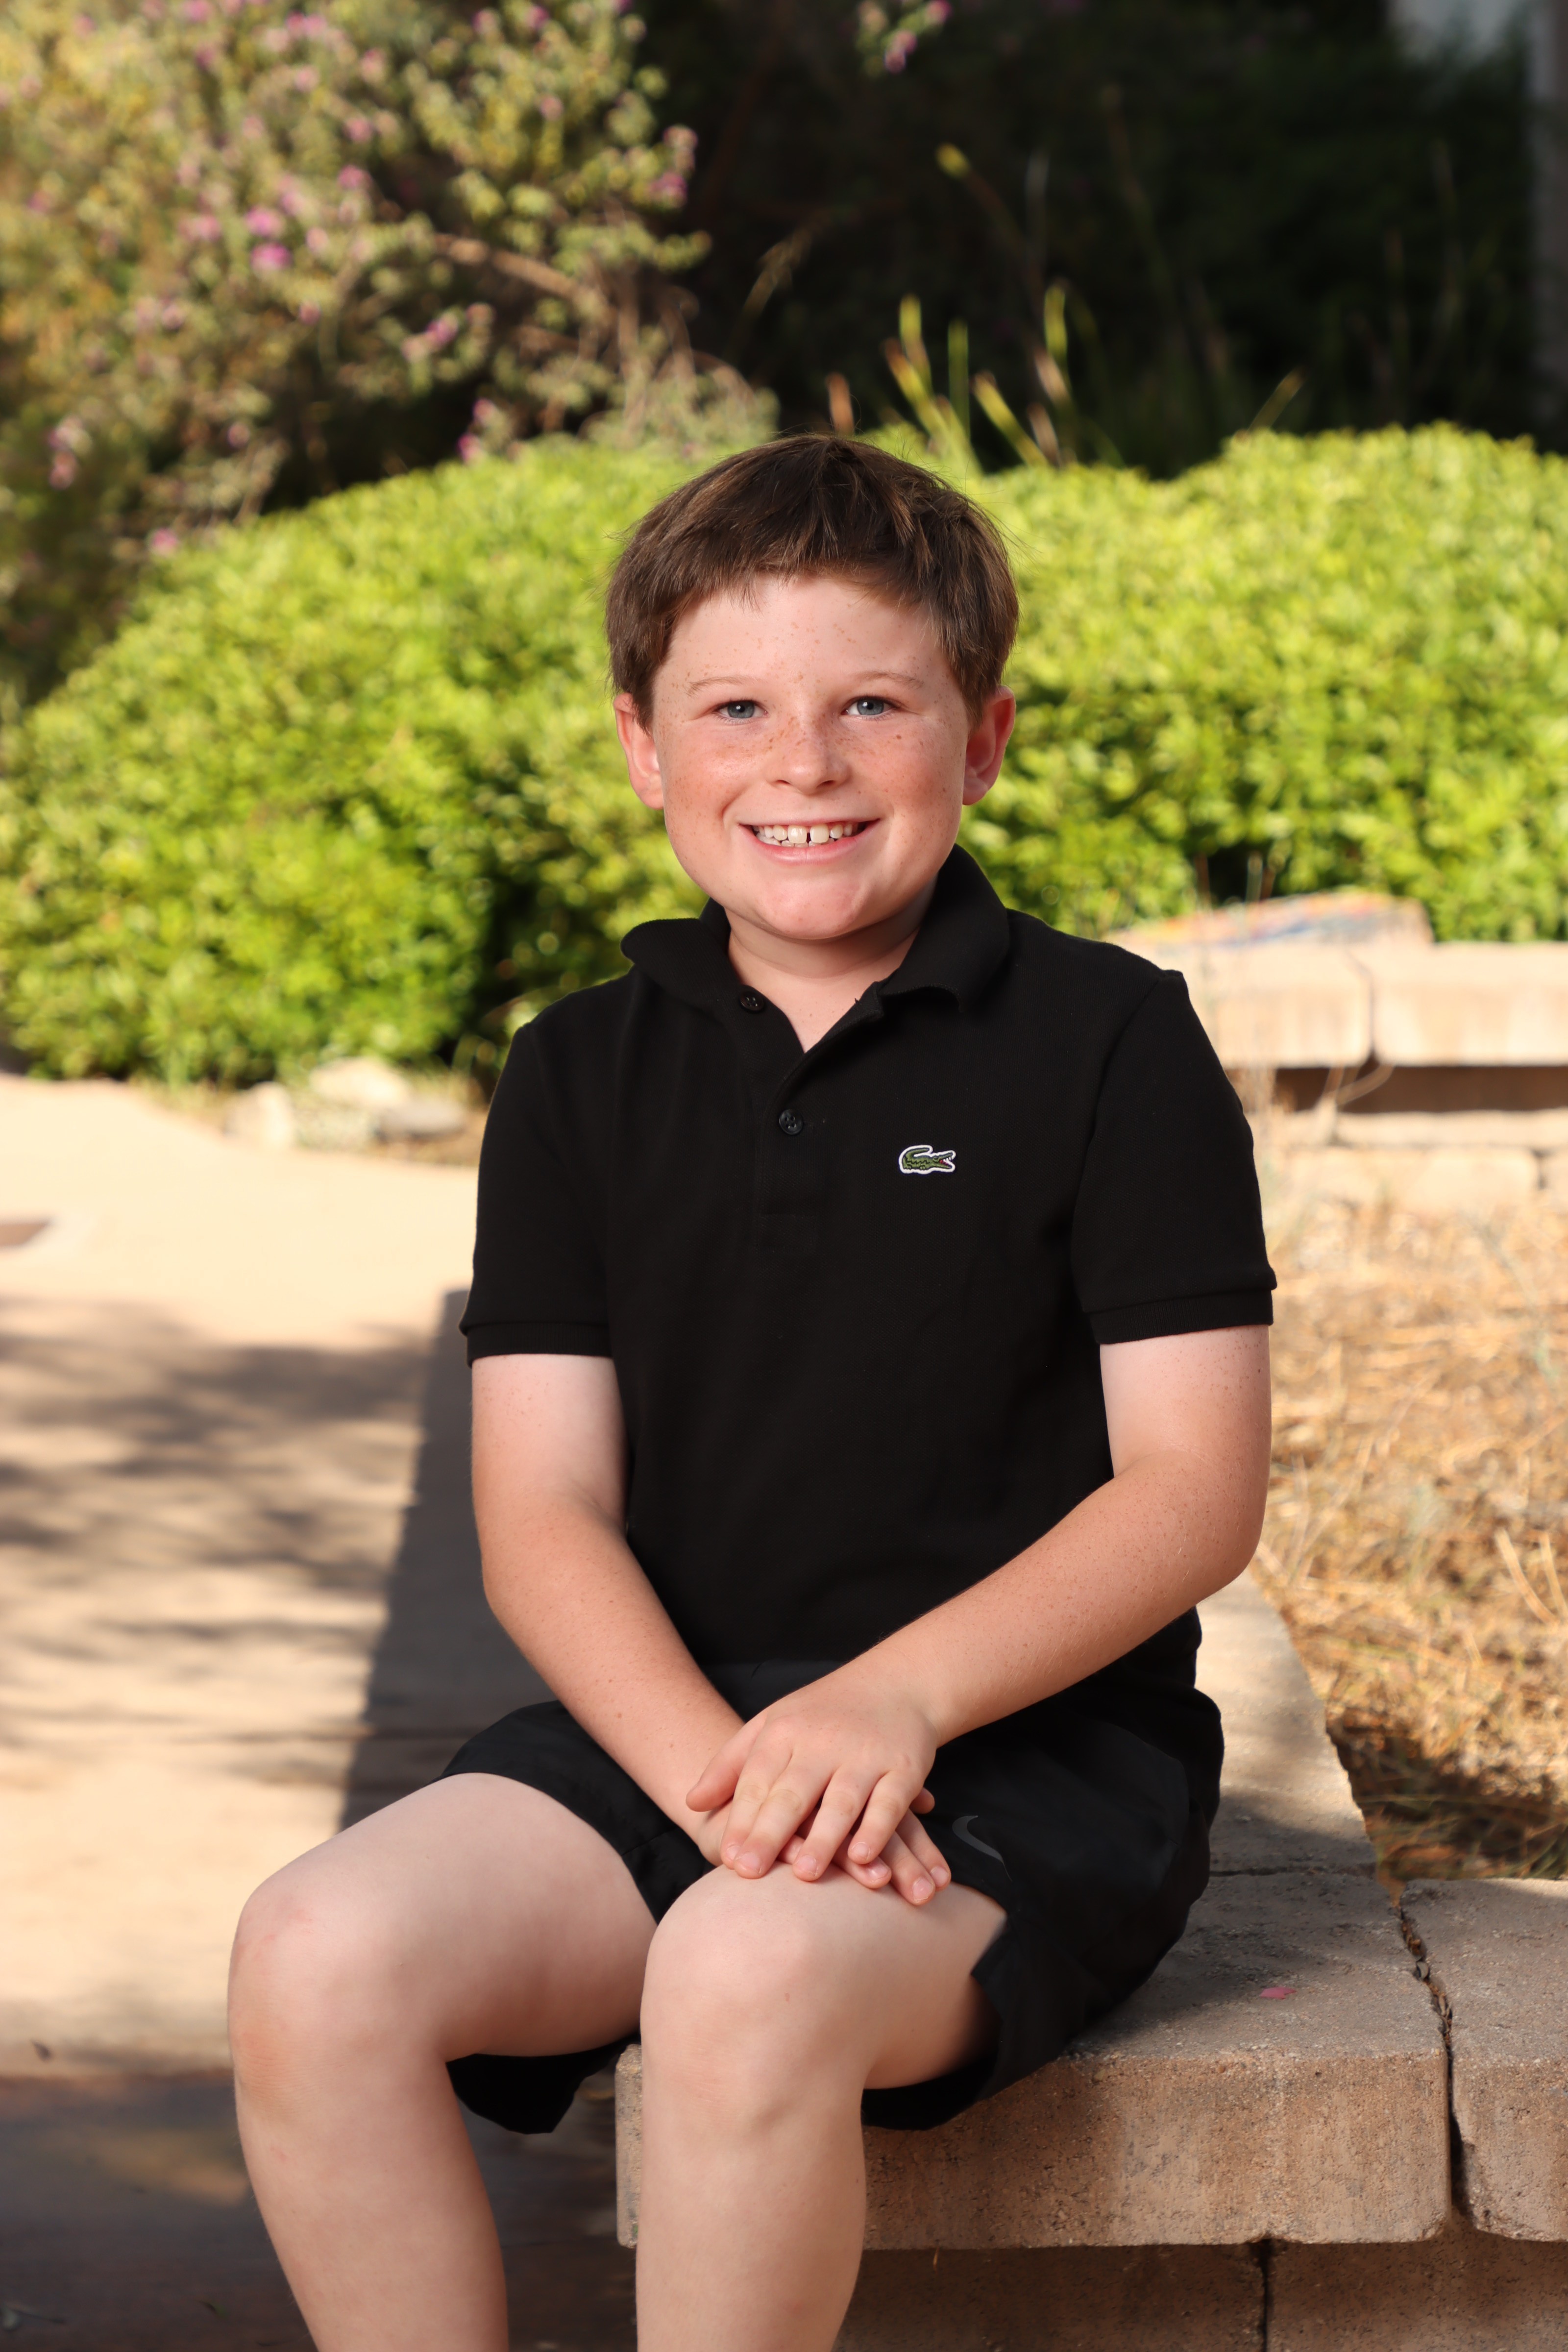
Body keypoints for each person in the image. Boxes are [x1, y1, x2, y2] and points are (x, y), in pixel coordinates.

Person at [228, 434, 1274, 2352]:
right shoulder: (573, 1076)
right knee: (311, 1951)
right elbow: (542, 1512)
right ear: (644, 747)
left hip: (1017, 1764)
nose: (803, 764)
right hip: (672, 1737)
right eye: (734, 710)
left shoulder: (1113, 1043)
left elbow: (1192, 1487)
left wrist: (892, 1702)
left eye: (871, 704)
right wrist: (724, 1782)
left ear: (982, 738)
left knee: (739, 1966)